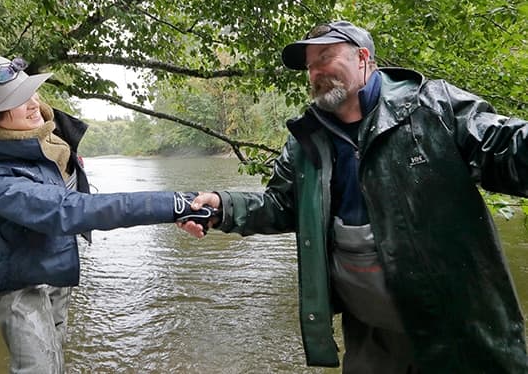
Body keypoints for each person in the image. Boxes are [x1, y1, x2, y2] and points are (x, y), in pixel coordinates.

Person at [180, 21, 528, 373]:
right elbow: (280, 206)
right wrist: (223, 207)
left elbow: (502, 145)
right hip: (371, 337)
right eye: (310, 66)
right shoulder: (306, 140)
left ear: (364, 58)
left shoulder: (431, 106)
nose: (316, 71)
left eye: (326, 57)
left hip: (455, 327)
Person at [0, 55, 209, 374]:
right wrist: (174, 205)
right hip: (16, 281)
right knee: (40, 367)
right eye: (16, 100)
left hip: (54, 266)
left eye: (29, 90)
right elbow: (69, 209)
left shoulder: (50, 136)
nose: (33, 103)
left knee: (57, 353)